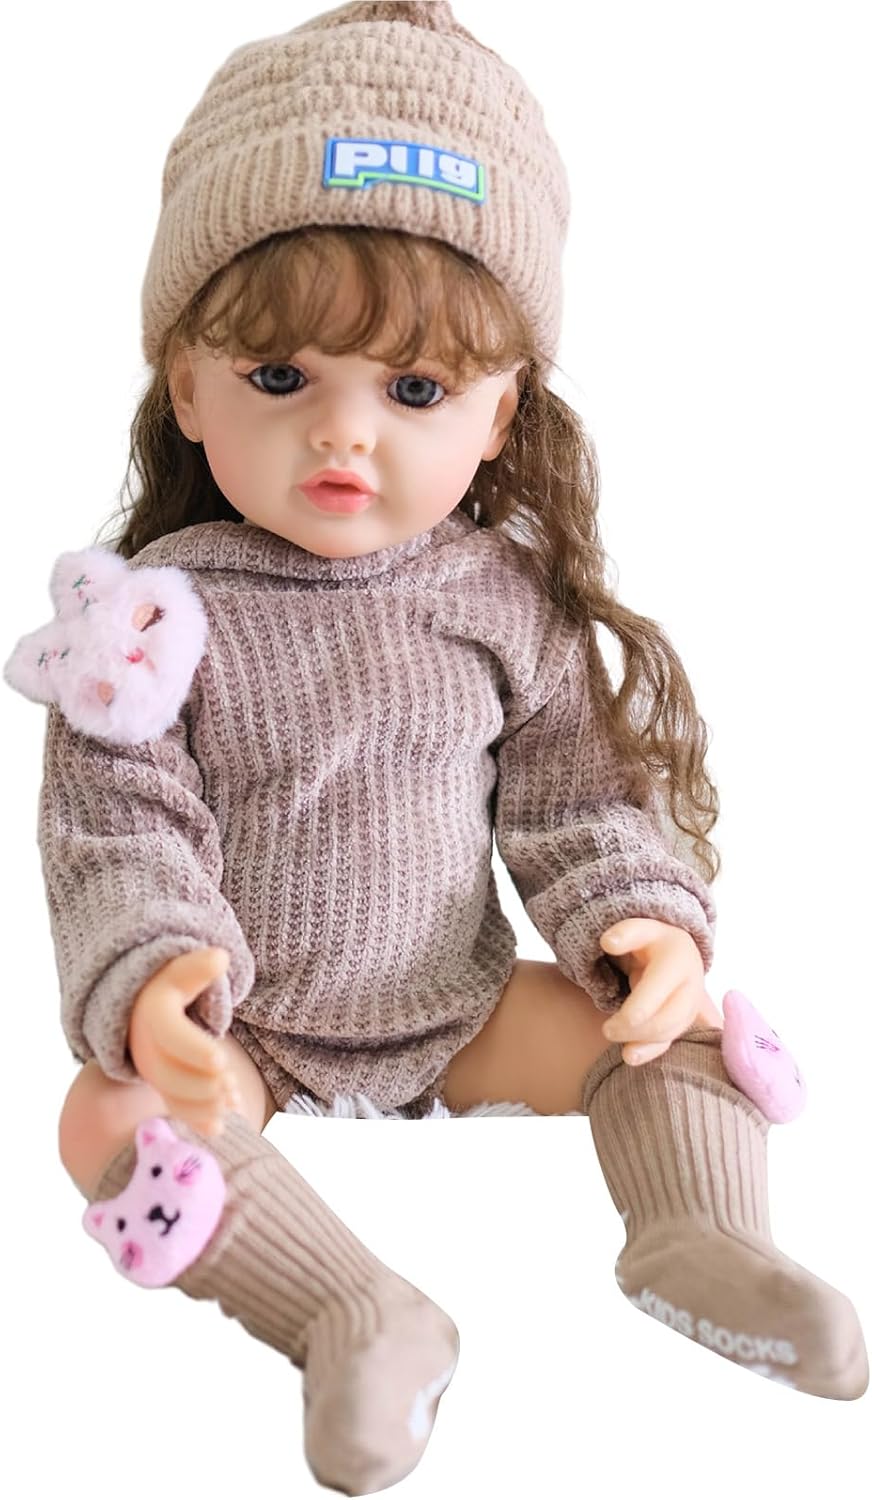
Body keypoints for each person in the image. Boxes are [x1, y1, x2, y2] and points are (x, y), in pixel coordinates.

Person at [4, 2, 867, 1494]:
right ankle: (352, 1313)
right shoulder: (151, 617)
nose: (346, 438)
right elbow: (115, 825)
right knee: (108, 1116)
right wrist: (159, 975)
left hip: (460, 1008)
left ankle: (702, 1235)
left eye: (413, 392)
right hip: (250, 1036)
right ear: (187, 384)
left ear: (502, 411)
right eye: (281, 379)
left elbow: (577, 796)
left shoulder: (501, 601)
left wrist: (640, 923)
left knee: (679, 1031)